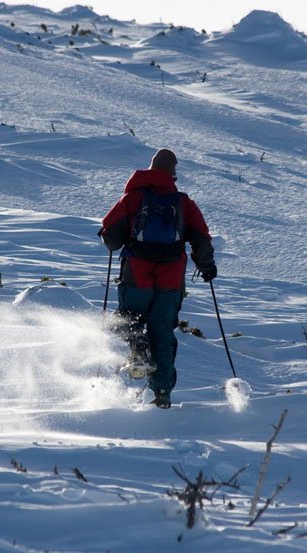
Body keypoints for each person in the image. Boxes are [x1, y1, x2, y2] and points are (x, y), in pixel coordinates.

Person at [100, 149, 216, 409]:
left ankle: (138, 347)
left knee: (128, 319)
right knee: (162, 333)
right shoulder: (184, 203)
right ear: (173, 175)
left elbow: (111, 238)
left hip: (137, 272)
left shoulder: (133, 197)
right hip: (171, 277)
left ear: (150, 170)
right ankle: (162, 393)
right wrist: (206, 267)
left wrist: (108, 235)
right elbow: (201, 237)